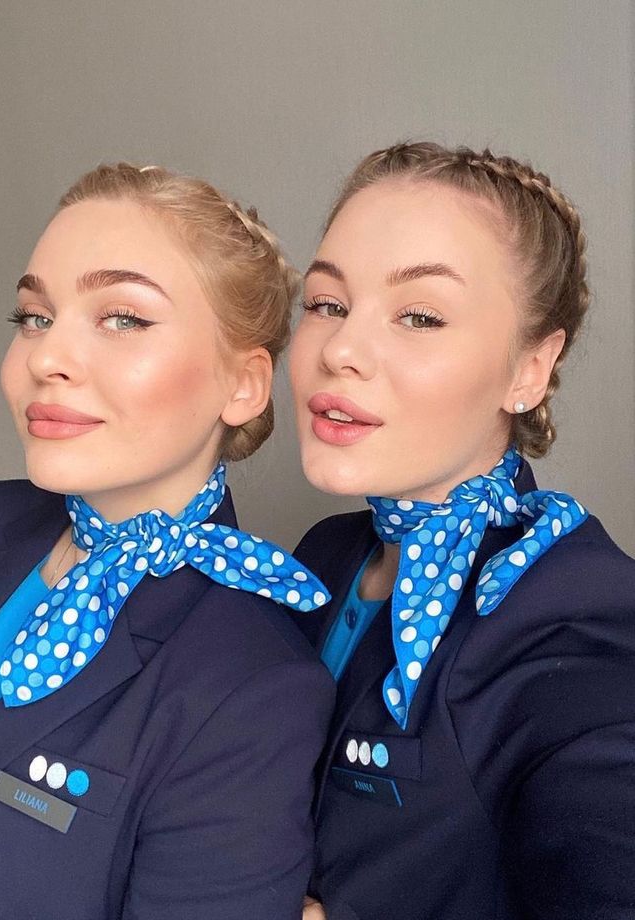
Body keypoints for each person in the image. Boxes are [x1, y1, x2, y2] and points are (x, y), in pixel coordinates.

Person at [0, 163, 335, 919]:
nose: (44, 358)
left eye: (122, 318)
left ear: (243, 385)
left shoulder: (254, 687)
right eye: (34, 317)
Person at [290, 142, 635, 920]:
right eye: (326, 304)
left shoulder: (586, 629)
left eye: (419, 315)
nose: (340, 350)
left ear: (530, 368)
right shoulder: (319, 557)